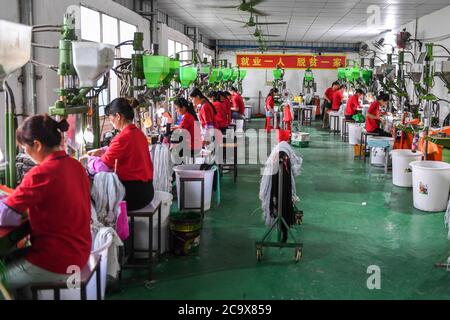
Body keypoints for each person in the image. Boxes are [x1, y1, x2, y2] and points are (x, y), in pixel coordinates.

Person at [0, 114, 91, 298]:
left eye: (25, 148)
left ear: (38, 145)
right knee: (10, 258)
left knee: (4, 277)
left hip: (57, 260)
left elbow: (5, 214)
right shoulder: (76, 166)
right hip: (79, 251)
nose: (25, 153)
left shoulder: (41, 173)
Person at [87, 98, 154, 211]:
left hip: (134, 195)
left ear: (118, 116)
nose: (111, 121)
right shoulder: (138, 133)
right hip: (147, 191)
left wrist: (89, 160)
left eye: (110, 118)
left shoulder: (122, 138)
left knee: (93, 194)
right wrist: (103, 150)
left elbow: (102, 166)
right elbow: (123, 149)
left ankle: (106, 225)